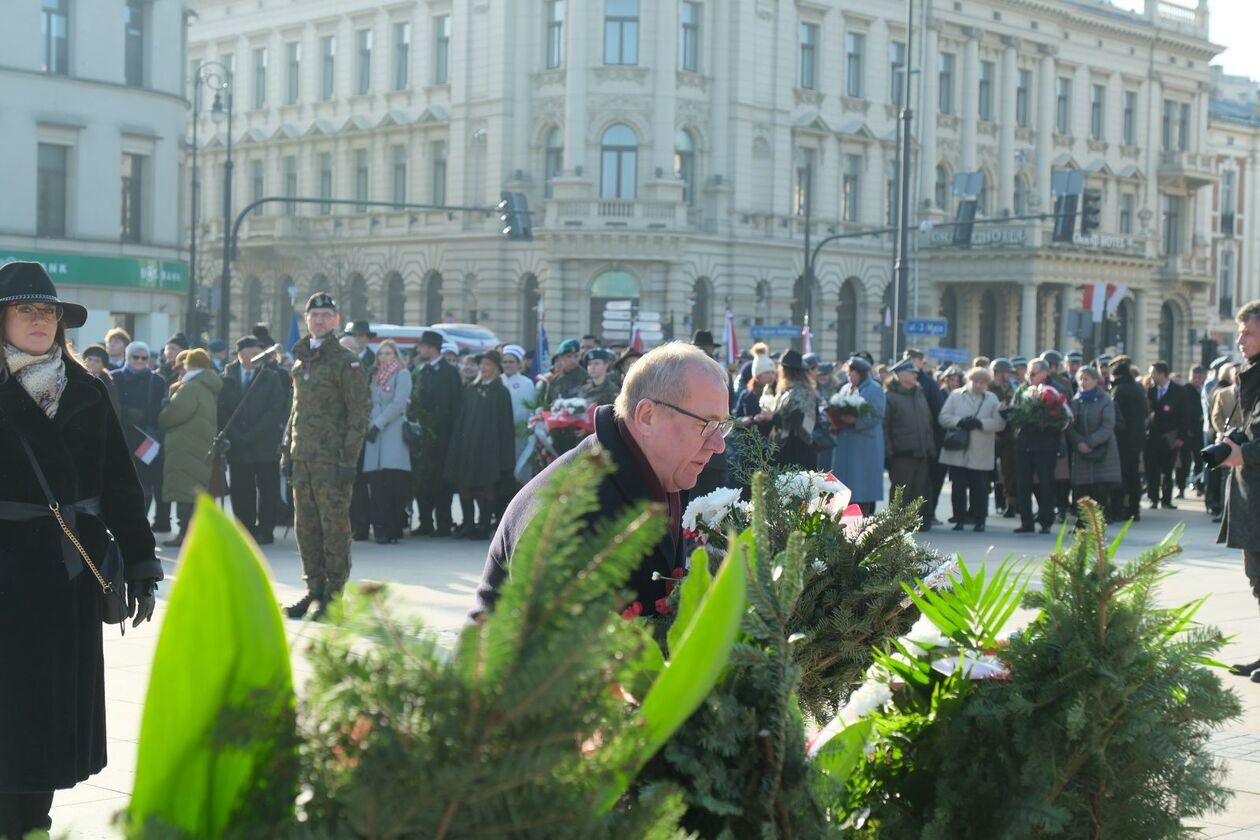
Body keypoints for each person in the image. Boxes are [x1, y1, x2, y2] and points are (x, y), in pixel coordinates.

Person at [0, 262, 159, 838]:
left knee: (47, 724)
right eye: (25, 310)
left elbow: (120, 483)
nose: (39, 321)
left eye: (48, 312)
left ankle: (35, 824)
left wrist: (142, 563)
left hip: (68, 579)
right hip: (5, 580)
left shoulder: (88, 391)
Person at [470, 343, 732, 619]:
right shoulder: (572, 512)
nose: (718, 445)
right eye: (707, 424)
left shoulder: (662, 470)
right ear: (647, 417)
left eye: (723, 427)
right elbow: (553, 650)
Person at [281, 293, 371, 620]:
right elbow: (296, 411)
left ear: (336, 319)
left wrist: (348, 460)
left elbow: (358, 414)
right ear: (306, 319)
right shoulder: (301, 359)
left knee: (333, 528)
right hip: (302, 457)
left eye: (325, 315)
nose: (318, 320)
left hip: (332, 461)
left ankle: (333, 597)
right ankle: (313, 589)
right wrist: (287, 452)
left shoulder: (346, 361)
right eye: (313, 315)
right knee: (305, 527)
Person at [1213, 301, 1260, 684]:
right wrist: (1234, 440)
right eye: (1240, 332)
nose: (1240, 340)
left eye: (1248, 332)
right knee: (1258, 580)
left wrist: (1244, 451)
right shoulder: (1252, 374)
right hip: (1252, 493)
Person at [218, 335, 288, 545]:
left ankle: (265, 529)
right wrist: (237, 435)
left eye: (255, 353)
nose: (250, 358)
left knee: (268, 489)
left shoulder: (270, 377)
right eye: (246, 354)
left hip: (264, 443)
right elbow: (222, 409)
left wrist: (254, 433)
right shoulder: (226, 378)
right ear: (238, 355)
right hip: (237, 443)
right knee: (241, 489)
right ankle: (244, 530)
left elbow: (276, 409)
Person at [157, 349, 223, 548]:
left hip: (185, 447)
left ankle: (184, 534)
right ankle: (195, 533)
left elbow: (173, 415)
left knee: (184, 492)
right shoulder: (208, 385)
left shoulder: (190, 387)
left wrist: (163, 414)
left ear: (189, 365)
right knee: (194, 491)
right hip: (200, 445)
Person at [445, 351, 515, 539]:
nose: (483, 368)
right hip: (468, 446)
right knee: (465, 485)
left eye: (488, 365)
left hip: (489, 448)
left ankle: (484, 524)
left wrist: (505, 455)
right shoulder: (470, 389)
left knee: (487, 487)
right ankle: (468, 523)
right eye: (482, 364)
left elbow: (505, 426)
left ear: (496, 369)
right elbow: (461, 419)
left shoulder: (501, 392)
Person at [408, 329, 464, 537]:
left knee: (442, 482)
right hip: (421, 437)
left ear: (431, 348)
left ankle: (443, 522)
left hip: (443, 438)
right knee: (422, 481)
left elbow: (455, 406)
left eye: (422, 346)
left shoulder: (449, 373)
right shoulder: (418, 370)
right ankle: (425, 521)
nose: (419, 350)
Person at [937, 366, 1005, 532]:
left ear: (987, 384)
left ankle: (979, 520)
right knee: (958, 487)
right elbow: (943, 417)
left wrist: (981, 424)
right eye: (975, 381)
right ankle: (959, 519)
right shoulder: (955, 396)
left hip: (980, 451)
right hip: (958, 450)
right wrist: (959, 421)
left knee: (980, 488)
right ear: (969, 381)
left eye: (982, 382)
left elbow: (1000, 423)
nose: (978, 385)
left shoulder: (991, 399)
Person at [361, 340, 412, 544]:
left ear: (396, 355)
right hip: (373, 432)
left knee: (393, 484)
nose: (384, 358)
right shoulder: (374, 376)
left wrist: (378, 424)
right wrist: (369, 424)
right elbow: (370, 401)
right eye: (381, 354)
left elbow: (399, 403)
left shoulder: (402, 374)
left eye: (388, 354)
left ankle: (394, 528)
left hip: (391, 432)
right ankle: (380, 529)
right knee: (376, 486)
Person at [110, 340, 166, 517]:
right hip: (122, 436)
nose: (140, 361)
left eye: (144, 358)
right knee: (120, 480)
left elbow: (160, 409)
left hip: (146, 438)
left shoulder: (157, 380)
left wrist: (145, 415)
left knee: (145, 481)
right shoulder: (115, 377)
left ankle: (142, 519)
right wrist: (127, 412)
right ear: (128, 357)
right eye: (136, 357)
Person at [830, 355, 886, 516]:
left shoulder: (874, 389)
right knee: (844, 490)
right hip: (845, 444)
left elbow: (877, 415)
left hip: (864, 446)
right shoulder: (845, 388)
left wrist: (855, 420)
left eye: (852, 372)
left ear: (861, 373)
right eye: (848, 372)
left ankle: (863, 521)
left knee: (862, 489)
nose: (849, 376)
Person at [884, 359, 936, 529]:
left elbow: (927, 423)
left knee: (919, 490)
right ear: (901, 375)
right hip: (902, 453)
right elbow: (885, 427)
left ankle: (914, 523)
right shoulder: (890, 397)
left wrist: (930, 447)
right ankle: (894, 524)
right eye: (911, 373)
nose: (915, 376)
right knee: (901, 491)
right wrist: (888, 453)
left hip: (921, 452)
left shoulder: (918, 394)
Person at [1013, 360, 1062, 534]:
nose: (1030, 376)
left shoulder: (1055, 390)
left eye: (1034, 373)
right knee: (1023, 484)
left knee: (1046, 483)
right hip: (1024, 443)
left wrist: (1044, 420)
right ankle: (1026, 522)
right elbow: (1015, 409)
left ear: (1045, 373)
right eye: (1029, 373)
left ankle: (1046, 521)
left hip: (1046, 444)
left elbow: (1063, 416)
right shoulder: (1022, 389)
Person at [1066, 366, 1121, 520]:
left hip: (1102, 452)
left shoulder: (1105, 400)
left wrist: (1090, 442)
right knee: (1081, 492)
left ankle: (1098, 526)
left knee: (1100, 491)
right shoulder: (1075, 401)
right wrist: (1079, 442)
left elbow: (1108, 425)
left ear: (1095, 380)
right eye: (1080, 379)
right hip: (1081, 453)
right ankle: (1082, 526)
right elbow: (1069, 425)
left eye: (1086, 379)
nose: (1083, 382)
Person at [1107, 356, 1150, 523]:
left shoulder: (1118, 391)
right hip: (1137, 439)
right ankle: (1134, 509)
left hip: (1122, 440)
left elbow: (1115, 416)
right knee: (1134, 476)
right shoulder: (1137, 389)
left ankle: (1119, 509)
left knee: (1121, 476)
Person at [1146, 361, 1191, 510]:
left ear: (1161, 374)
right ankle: (1153, 498)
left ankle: (1166, 499)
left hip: (1170, 437)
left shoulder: (1179, 391)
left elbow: (1184, 416)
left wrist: (1181, 437)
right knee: (1153, 470)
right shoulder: (1151, 391)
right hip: (1152, 437)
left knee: (1168, 469)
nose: (1151, 376)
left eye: (1153, 373)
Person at [768, 349, 820, 470]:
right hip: (789, 448)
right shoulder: (789, 391)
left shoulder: (800, 393)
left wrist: (773, 417)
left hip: (797, 450)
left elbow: (808, 425)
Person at [1209, 363, 1240, 523]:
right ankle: (1223, 511)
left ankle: (1237, 512)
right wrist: (1225, 432)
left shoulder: (1251, 393)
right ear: (1230, 376)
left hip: (1243, 440)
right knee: (1224, 478)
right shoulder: (1222, 393)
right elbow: (1215, 416)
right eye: (1236, 374)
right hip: (1226, 439)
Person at [1177, 364, 1207, 499]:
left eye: (1199, 377)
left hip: (1200, 432)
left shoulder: (1205, 390)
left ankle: (1200, 486)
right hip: (1187, 431)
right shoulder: (1184, 390)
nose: (1196, 379)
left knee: (1200, 460)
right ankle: (1181, 488)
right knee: (1184, 462)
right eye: (1194, 377)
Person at [538, 338, 590, 406]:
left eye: (576, 356)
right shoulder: (554, 379)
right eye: (569, 356)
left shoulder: (585, 377)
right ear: (560, 358)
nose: (573, 360)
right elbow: (546, 403)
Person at [80, 344, 120, 415]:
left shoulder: (109, 384)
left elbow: (114, 409)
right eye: (89, 359)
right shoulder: (77, 379)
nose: (92, 363)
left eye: (97, 361)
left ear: (103, 365)